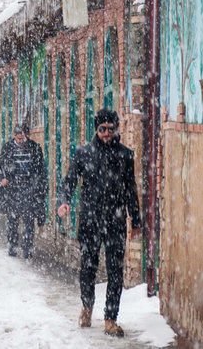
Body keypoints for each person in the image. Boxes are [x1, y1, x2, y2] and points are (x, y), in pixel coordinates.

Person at [56, 108, 142, 338]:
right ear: (96, 129)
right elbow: (69, 181)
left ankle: (110, 318)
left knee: (115, 272)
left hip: (115, 221)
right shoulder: (84, 153)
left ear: (116, 130)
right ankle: (87, 305)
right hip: (90, 221)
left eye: (110, 129)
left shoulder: (125, 155)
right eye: (102, 129)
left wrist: (135, 220)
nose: (106, 133)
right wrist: (64, 202)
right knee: (88, 267)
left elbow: (131, 189)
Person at [0, 123, 48, 258]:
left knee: (29, 221)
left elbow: (41, 170)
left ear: (27, 136)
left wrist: (41, 187)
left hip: (29, 190)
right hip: (12, 190)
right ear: (14, 136)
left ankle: (27, 248)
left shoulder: (35, 148)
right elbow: (0, 165)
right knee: (12, 220)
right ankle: (12, 245)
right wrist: (2, 178)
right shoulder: (7, 148)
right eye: (19, 139)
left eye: (23, 138)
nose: (21, 141)